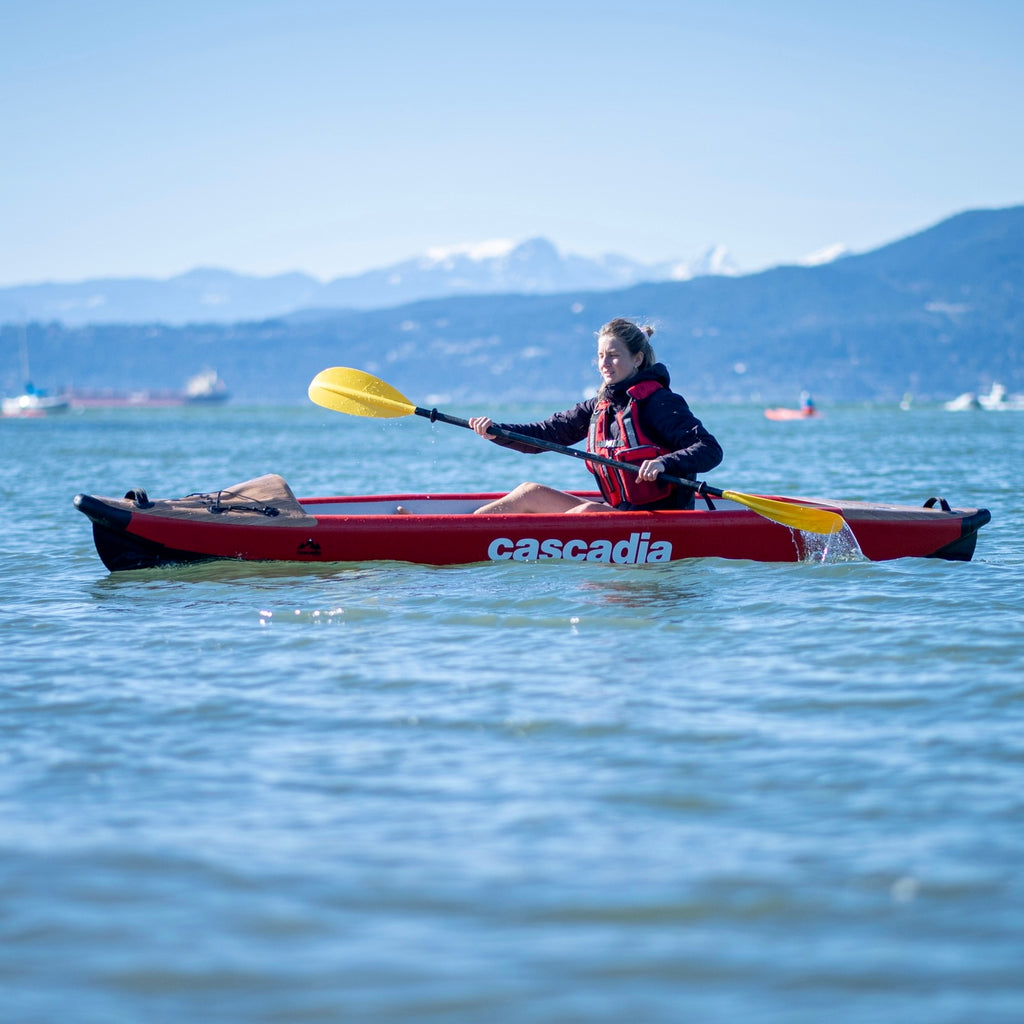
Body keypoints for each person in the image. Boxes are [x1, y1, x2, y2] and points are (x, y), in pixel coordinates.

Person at [469, 317, 723, 514]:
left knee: (588, 510)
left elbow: (710, 449)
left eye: (613, 356)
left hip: (660, 519)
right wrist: (495, 432)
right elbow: (545, 434)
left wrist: (664, 463)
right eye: (601, 356)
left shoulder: (660, 402)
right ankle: (462, 536)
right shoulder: (598, 407)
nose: (604, 363)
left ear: (637, 358)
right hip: (618, 515)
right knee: (528, 492)